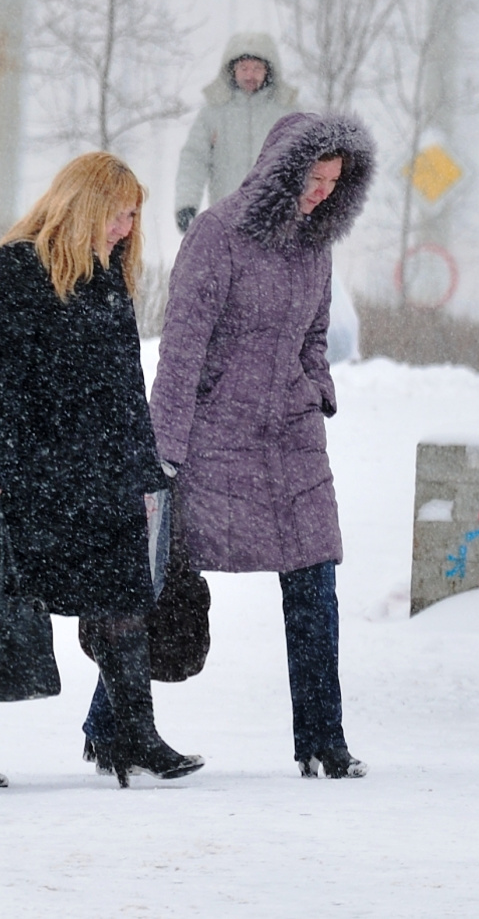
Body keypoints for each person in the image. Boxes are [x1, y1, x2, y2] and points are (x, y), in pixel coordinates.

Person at [151, 110, 374, 780]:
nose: (321, 192)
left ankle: (322, 739)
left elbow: (314, 336)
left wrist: (318, 389)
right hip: (216, 437)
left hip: (293, 439)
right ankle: (112, 723)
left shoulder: (317, 243)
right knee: (163, 583)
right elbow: (182, 346)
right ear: (283, 166)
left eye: (335, 182)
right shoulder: (219, 233)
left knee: (315, 580)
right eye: (314, 176)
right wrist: (163, 450)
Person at [0, 153, 204, 786]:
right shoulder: (15, 272)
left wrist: (146, 469)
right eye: (119, 213)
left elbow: (123, 385)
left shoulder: (109, 276)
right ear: (84, 204)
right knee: (7, 608)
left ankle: (133, 740)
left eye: (134, 215)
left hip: (105, 475)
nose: (126, 227)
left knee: (121, 603)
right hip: (31, 477)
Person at [171, 32, 299, 234]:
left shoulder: (288, 112)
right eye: (244, 68)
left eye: (257, 68)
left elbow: (308, 162)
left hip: (276, 221)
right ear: (232, 70)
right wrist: (187, 203)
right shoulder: (213, 113)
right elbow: (194, 158)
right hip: (227, 221)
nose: (250, 75)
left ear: (269, 70)